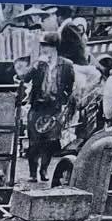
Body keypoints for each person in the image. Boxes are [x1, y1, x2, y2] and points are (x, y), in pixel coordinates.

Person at [25, 32, 75, 183]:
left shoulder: (66, 65)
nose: (44, 49)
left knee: (49, 142)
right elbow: (25, 78)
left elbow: (70, 85)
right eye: (43, 46)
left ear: (54, 47)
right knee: (34, 141)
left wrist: (64, 100)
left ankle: (44, 169)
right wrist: (35, 65)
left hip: (54, 107)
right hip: (37, 106)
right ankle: (32, 173)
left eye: (46, 46)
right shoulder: (39, 64)